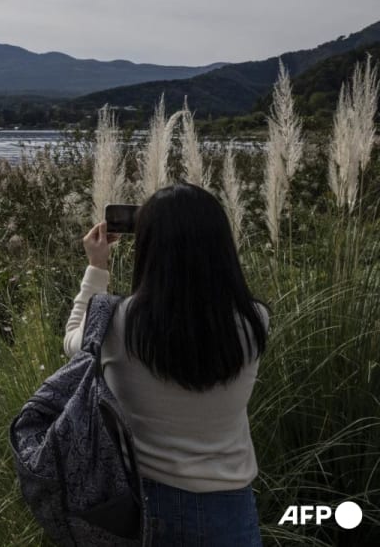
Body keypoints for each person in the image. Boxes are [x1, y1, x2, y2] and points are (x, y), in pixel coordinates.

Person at [63, 183, 270, 546]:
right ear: (221, 246)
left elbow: (74, 344)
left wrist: (96, 268)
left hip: (145, 506)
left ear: (149, 248)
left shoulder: (119, 321)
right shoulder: (254, 320)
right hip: (229, 508)